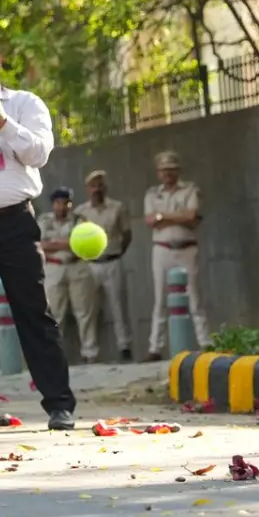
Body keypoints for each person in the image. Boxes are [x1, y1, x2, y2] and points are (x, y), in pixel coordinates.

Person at [0, 31, 75, 430]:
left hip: (15, 221)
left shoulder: (25, 104)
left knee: (33, 311)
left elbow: (38, 152)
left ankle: (59, 403)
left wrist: (2, 121)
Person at [144, 150, 210, 360]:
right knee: (160, 300)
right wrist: (179, 217)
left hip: (186, 248)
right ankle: (155, 347)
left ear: (177, 171)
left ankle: (206, 343)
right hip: (162, 249)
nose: (167, 174)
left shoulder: (189, 189)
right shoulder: (152, 193)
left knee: (194, 297)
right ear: (158, 173)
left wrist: (163, 216)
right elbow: (150, 220)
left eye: (171, 170)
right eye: (164, 170)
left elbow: (192, 215)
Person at [75, 170, 133, 360]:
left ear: (105, 187)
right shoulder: (81, 212)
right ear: (87, 189)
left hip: (112, 261)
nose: (97, 189)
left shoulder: (117, 207)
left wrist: (117, 252)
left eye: (100, 185)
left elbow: (126, 234)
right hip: (89, 265)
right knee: (88, 310)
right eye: (93, 186)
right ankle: (89, 351)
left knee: (119, 307)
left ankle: (124, 347)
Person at [38, 187, 99, 363]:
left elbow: (82, 243)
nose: (62, 207)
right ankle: (55, 356)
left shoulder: (80, 221)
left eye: (66, 203)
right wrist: (67, 243)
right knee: (55, 313)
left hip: (77, 266)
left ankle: (90, 353)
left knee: (85, 311)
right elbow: (40, 244)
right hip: (54, 268)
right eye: (58, 203)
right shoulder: (44, 221)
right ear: (53, 204)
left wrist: (54, 243)